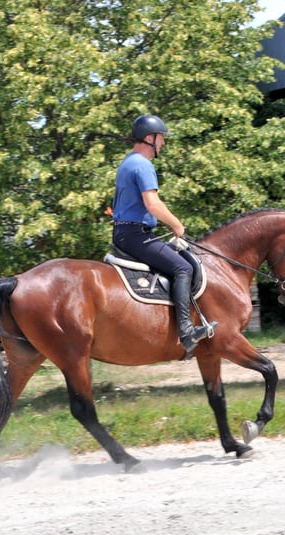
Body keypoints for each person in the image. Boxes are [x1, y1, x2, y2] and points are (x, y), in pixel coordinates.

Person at [112, 114, 217, 356]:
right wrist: (176, 224)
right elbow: (152, 203)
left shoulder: (128, 162)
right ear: (149, 138)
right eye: (161, 138)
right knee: (184, 268)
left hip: (126, 232)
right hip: (136, 235)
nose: (163, 143)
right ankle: (186, 331)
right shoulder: (142, 164)